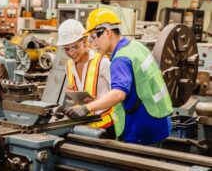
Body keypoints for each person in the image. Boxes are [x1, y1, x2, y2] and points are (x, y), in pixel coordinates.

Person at [64, 8, 173, 146]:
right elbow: (137, 86)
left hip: (141, 127)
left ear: (107, 32)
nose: (93, 44)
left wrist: (86, 108)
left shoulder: (120, 59)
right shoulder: (135, 46)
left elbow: (119, 94)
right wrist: (100, 101)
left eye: (94, 37)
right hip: (159, 119)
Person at [57, 19, 115, 139]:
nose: (71, 53)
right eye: (67, 49)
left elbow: (118, 94)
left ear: (85, 42)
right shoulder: (69, 65)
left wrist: (97, 101)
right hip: (83, 125)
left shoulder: (102, 62)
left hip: (106, 125)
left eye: (75, 47)